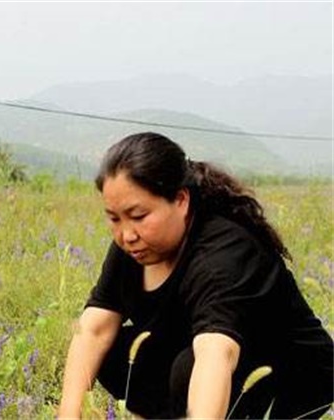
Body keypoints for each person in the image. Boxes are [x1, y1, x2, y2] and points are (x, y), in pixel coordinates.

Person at [58, 132, 333, 419]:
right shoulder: (134, 247)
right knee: (115, 351)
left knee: (187, 368)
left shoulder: (221, 256)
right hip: (197, 349)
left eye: (138, 216)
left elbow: (216, 353)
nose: (126, 234)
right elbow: (94, 330)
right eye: (114, 218)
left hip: (293, 375)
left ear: (180, 200)